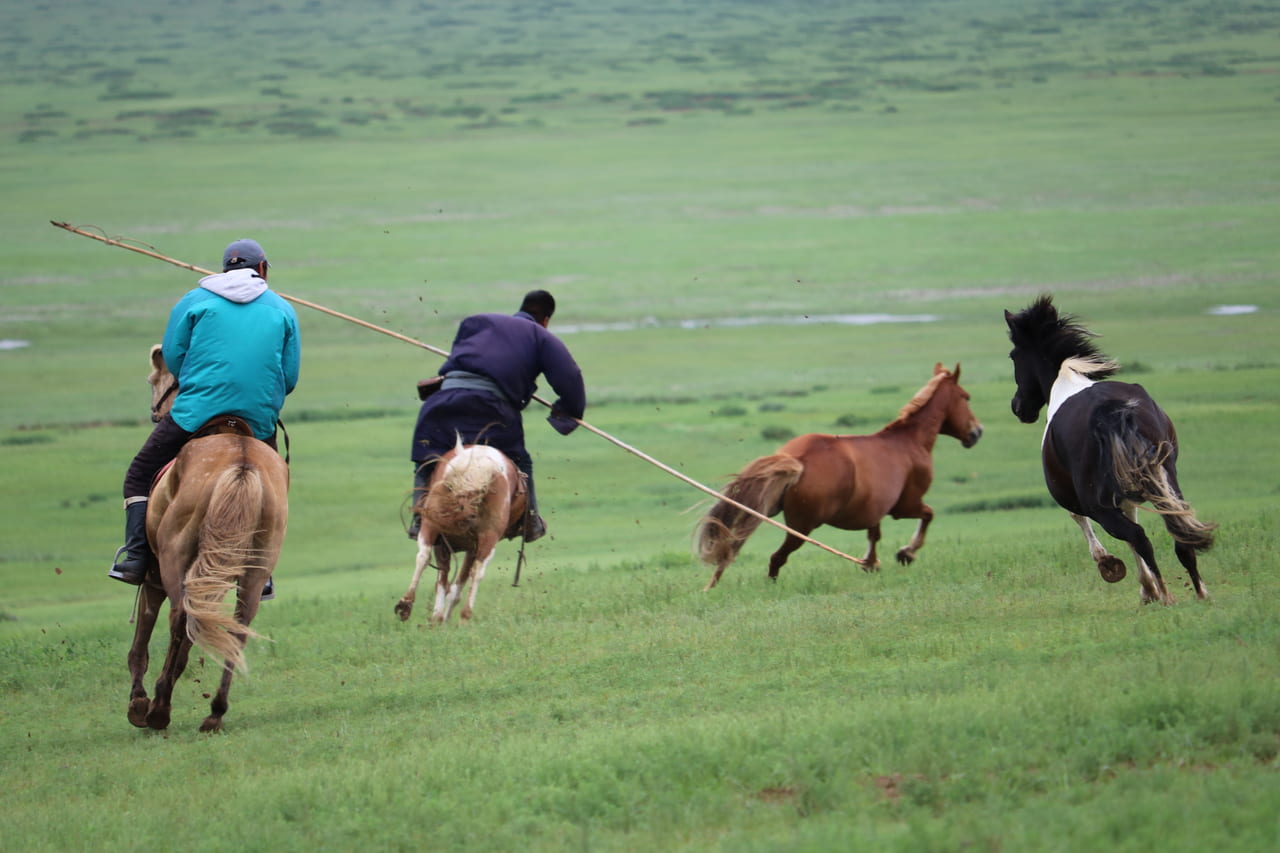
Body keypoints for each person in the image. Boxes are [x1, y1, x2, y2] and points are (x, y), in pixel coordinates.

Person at [109, 238, 301, 592]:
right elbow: (289, 377)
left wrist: (199, 384)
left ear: (225, 269)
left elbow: (174, 356)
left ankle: (135, 557)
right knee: (274, 483)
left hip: (196, 412)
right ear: (262, 269)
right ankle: (261, 567)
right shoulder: (283, 309)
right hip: (257, 419)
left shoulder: (194, 301)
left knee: (139, 474)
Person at [410, 289, 585, 542]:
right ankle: (530, 520)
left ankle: (418, 519)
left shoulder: (475, 323)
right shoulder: (541, 337)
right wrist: (567, 411)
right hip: (490, 408)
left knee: (426, 456)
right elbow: (570, 378)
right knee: (520, 462)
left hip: (442, 402)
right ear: (546, 319)